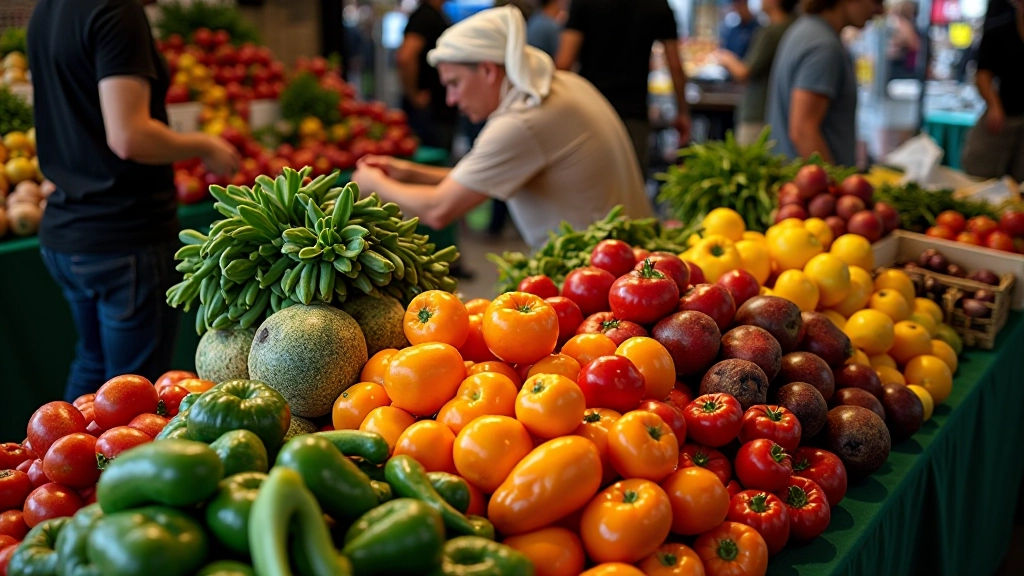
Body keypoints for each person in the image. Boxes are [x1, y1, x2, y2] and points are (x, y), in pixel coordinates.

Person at [27, 0, 240, 401]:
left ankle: (62, 460)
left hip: (68, 230)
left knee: (93, 368)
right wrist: (204, 144)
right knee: (134, 393)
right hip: (122, 235)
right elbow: (129, 136)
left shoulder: (47, 9)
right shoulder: (114, 11)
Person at [351, 6, 651, 249]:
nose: (452, 99)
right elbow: (480, 178)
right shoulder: (562, 86)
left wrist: (373, 183)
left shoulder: (522, 120)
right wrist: (407, 172)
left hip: (600, 279)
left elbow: (438, 210)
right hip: (631, 262)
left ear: (487, 70)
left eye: (454, 83)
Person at [554, 0, 691, 178]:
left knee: (590, 185)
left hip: (590, 112)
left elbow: (564, 63)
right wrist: (682, 112)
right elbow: (675, 65)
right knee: (631, 188)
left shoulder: (583, 2)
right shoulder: (657, 4)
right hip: (634, 113)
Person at [765, 0, 884, 166]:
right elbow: (803, 131)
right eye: (876, 1)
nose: (880, 10)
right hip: (808, 187)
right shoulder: (823, 46)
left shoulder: (805, 29)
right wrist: (835, 187)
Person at [715, 0, 799, 145]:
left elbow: (744, 73)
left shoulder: (772, 32)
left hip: (758, 112)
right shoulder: (794, 27)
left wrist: (724, 57)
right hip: (778, 112)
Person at [962, 0, 1024, 183]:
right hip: (1005, 114)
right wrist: (994, 106)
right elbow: (983, 75)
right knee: (980, 174)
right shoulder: (998, 31)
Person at [397, 0, 458, 151]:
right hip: (430, 112)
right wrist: (414, 95)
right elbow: (405, 57)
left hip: (437, 109)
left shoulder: (434, 14)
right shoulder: (424, 16)